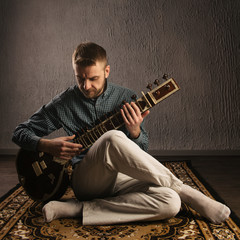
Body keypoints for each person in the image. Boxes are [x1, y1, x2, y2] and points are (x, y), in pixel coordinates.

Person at [12, 42, 230, 225]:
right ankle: (188, 192)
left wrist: (135, 132)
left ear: (107, 71)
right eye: (80, 78)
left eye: (93, 78)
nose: (86, 86)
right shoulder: (64, 103)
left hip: (124, 178)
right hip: (88, 180)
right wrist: (45, 145)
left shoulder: (126, 97)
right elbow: (20, 132)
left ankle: (78, 209)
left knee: (171, 203)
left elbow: (140, 153)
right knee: (113, 137)